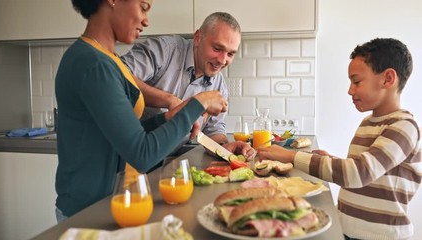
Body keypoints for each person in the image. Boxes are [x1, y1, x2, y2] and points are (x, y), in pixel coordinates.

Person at [54, 0, 253, 222]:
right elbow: (142, 154)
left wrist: (168, 118)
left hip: (117, 200)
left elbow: (133, 134)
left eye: (230, 53)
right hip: (88, 211)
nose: (146, 20)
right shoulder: (95, 64)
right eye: (143, 7)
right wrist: (195, 104)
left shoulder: (104, 60)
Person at [257, 38, 422, 240]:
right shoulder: (368, 123)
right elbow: (365, 171)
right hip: (349, 230)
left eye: (356, 81)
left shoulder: (403, 127)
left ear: (387, 79)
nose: (350, 90)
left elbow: (357, 173)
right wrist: (332, 159)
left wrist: (292, 156)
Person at [121, 12, 241, 147]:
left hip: (175, 159)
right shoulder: (164, 50)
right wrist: (170, 101)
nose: (222, 60)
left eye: (230, 54)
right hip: (129, 150)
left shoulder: (219, 86)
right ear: (197, 38)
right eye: (217, 48)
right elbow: (117, 76)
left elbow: (213, 131)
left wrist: (225, 147)